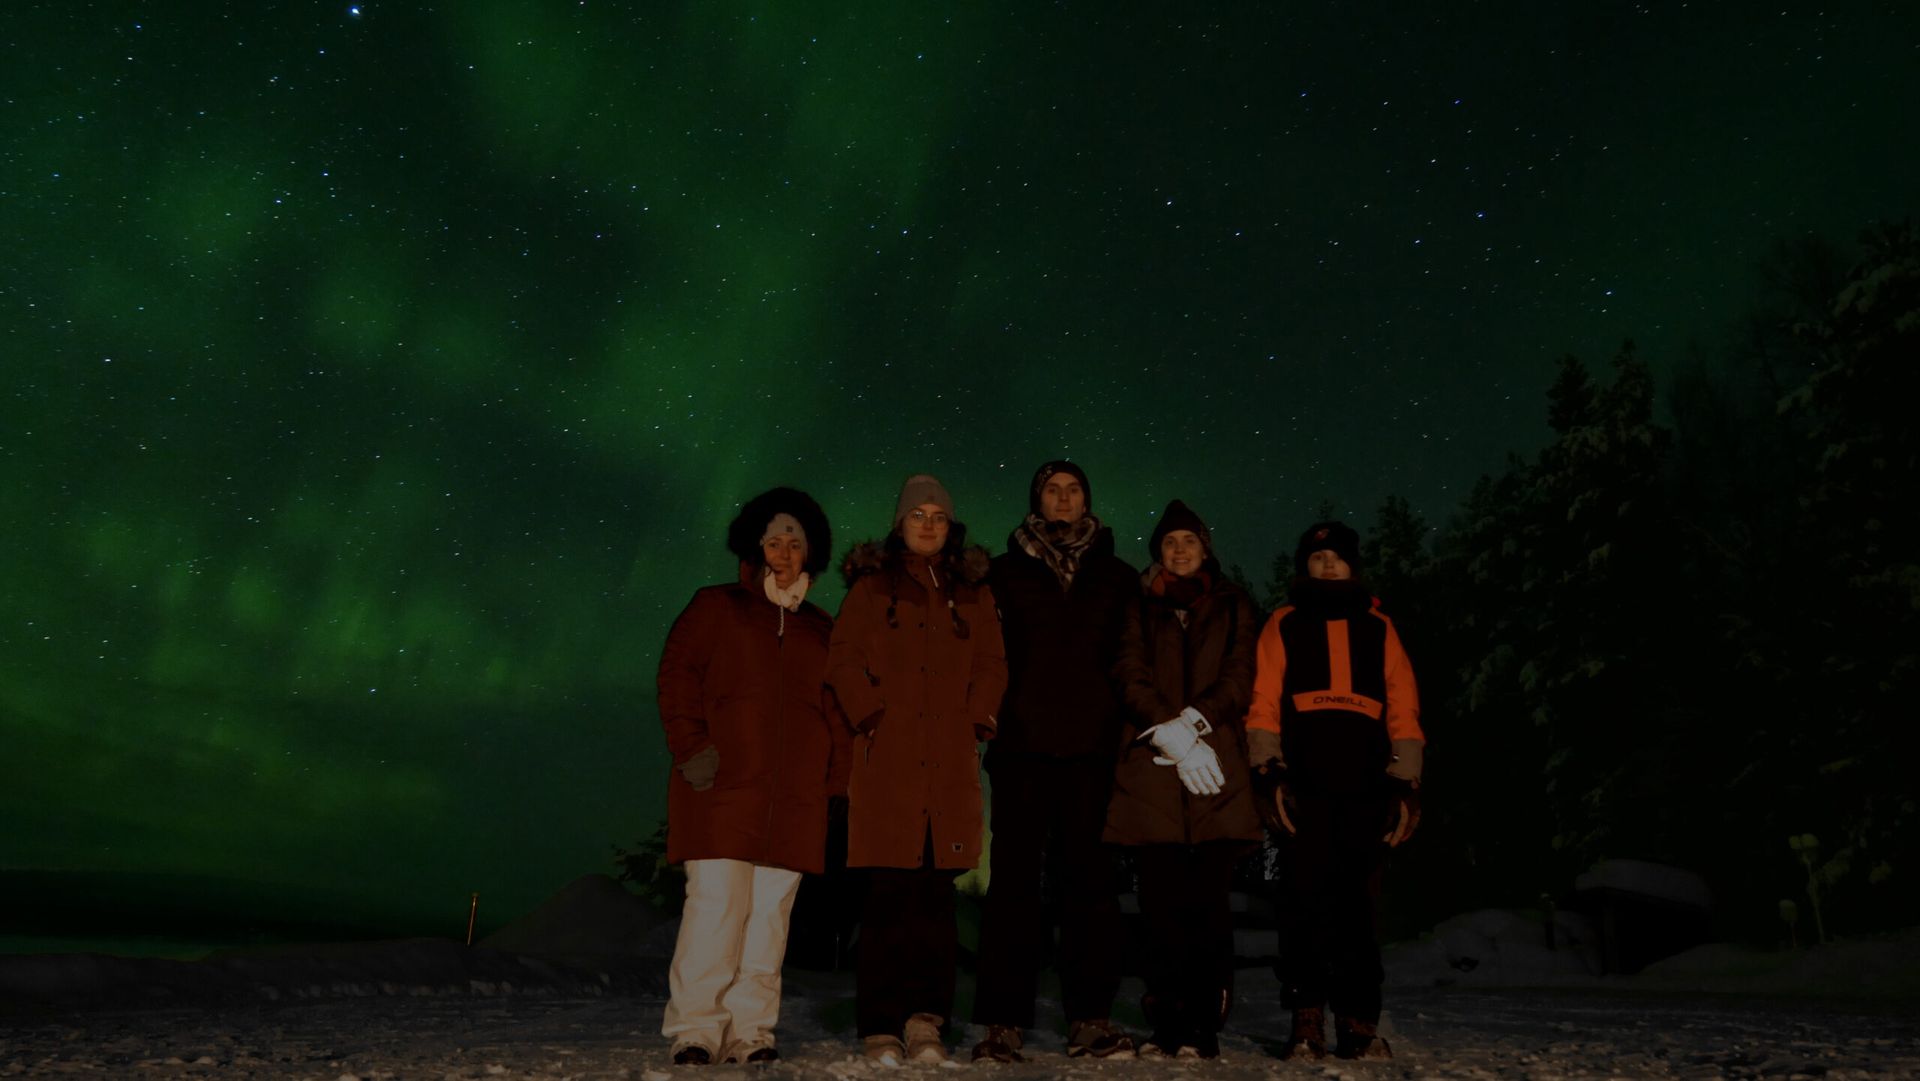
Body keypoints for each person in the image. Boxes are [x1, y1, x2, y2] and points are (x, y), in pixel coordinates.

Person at [655, 487, 850, 1066]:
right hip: (721, 789)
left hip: (794, 801)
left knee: (769, 923)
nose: (784, 552)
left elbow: (837, 712)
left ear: (809, 553)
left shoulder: (821, 627)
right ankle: (696, 1029)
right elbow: (677, 677)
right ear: (754, 547)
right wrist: (692, 749)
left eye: (795, 541)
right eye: (774, 540)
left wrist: (836, 782)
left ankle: (751, 1032)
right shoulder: (715, 607)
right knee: (715, 910)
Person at [827, 475, 1008, 1064]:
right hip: (889, 766)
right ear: (900, 523)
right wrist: (871, 716)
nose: (928, 525)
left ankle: (926, 1020)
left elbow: (992, 662)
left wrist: (977, 718)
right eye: (917, 516)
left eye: (937, 516)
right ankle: (881, 1024)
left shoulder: (972, 593)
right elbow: (843, 659)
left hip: (949, 765)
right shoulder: (873, 588)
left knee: (935, 902)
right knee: (887, 900)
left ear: (950, 526)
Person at [971, 460, 1139, 1062]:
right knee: (1013, 887)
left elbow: (1130, 659)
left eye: (1073, 491)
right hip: (1021, 750)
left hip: (1093, 751)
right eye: (1052, 490)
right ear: (1036, 501)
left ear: (1087, 500)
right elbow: (984, 653)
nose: (1063, 499)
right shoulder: (1003, 572)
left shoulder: (1118, 577)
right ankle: (1001, 1023)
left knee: (1091, 887)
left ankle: (1090, 1017)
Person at [1245, 521, 1424, 1061]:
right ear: (1305, 566)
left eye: (1337, 558)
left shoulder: (1379, 626)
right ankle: (1306, 1017)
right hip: (1303, 783)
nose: (1327, 565)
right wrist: (1267, 772)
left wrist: (1406, 782)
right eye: (1317, 557)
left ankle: (1358, 1019)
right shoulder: (1284, 622)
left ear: (1353, 566)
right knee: (1302, 902)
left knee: (1357, 907)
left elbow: (1404, 707)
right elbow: (1263, 700)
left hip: (1367, 783)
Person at [1105, 499, 1264, 1059]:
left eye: (1189, 542)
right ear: (1159, 552)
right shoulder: (1139, 606)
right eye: (1169, 543)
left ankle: (1203, 1025)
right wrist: (1164, 727)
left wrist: (1195, 720)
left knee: (1208, 909)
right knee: (1161, 911)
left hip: (1215, 770)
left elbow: (1241, 671)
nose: (1179, 551)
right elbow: (1128, 670)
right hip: (1153, 772)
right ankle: (1166, 1021)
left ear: (1205, 548)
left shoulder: (1233, 603)